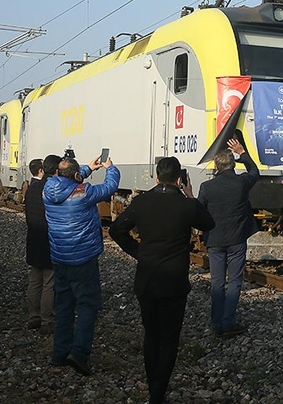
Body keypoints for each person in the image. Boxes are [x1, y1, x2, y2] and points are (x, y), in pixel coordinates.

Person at [109, 157, 215, 404]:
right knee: (169, 338)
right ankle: (158, 393)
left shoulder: (141, 202)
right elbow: (209, 223)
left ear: (156, 178)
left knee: (151, 335)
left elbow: (116, 231)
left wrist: (138, 252)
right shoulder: (187, 206)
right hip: (174, 281)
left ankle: (152, 388)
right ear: (180, 180)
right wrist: (191, 196)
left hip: (147, 278)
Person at [43, 154, 119, 376]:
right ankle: (79, 353)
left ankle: (59, 353)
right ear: (75, 175)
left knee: (64, 306)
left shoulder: (46, 190)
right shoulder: (84, 193)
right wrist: (110, 167)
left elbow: (67, 182)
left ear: (57, 173)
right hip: (83, 259)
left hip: (59, 258)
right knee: (87, 305)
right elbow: (110, 186)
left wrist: (88, 169)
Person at [198, 138, 260, 337]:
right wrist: (242, 152)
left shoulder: (206, 187)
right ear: (233, 165)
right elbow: (254, 171)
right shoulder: (241, 182)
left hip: (215, 240)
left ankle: (216, 323)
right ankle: (228, 322)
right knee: (234, 281)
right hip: (237, 239)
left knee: (217, 282)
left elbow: (199, 212)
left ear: (216, 167)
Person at [23, 155, 60, 333]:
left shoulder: (31, 189)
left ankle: (33, 316)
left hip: (33, 240)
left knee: (34, 281)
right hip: (48, 240)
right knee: (49, 283)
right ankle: (47, 319)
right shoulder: (49, 189)